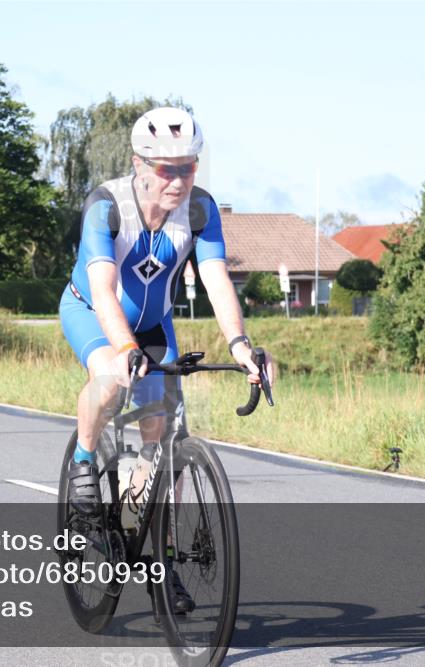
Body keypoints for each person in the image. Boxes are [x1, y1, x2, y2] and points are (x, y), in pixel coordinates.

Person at [59, 107, 276, 611]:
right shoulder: (106, 206)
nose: (178, 180)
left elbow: (216, 278)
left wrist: (240, 345)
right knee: (110, 380)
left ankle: (159, 560)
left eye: (188, 167)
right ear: (139, 164)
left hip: (155, 326)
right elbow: (103, 290)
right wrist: (124, 350)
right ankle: (85, 464)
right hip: (92, 313)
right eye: (166, 169)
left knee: (164, 440)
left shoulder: (200, 209)